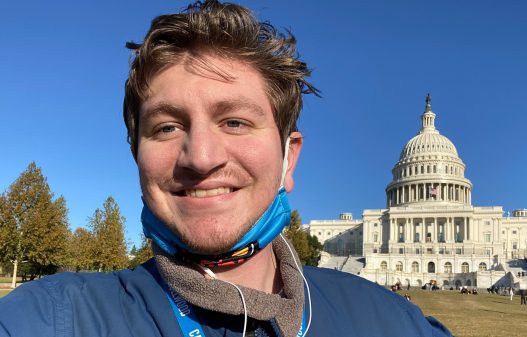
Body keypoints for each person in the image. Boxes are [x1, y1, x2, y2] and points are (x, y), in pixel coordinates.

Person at [0, 2, 453, 337]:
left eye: (234, 121)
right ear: (135, 153)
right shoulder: (55, 319)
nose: (200, 157)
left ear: (288, 158)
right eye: (167, 126)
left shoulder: (394, 322)